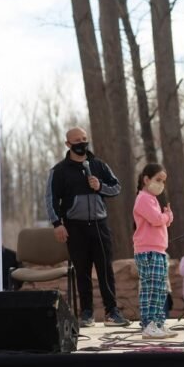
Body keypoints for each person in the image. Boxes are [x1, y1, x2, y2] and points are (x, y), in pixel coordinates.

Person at [46, 127, 130, 328]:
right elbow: (50, 199)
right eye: (77, 140)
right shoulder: (58, 170)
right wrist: (57, 224)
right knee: (82, 271)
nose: (82, 143)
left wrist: (99, 186)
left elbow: (116, 187)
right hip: (75, 228)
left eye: (84, 139)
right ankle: (86, 313)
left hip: (99, 226)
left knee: (105, 270)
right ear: (68, 144)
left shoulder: (99, 165)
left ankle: (112, 312)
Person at [133, 163, 178, 339]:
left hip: (157, 250)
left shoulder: (151, 199)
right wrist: (167, 216)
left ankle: (158, 323)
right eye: (158, 179)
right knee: (151, 288)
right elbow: (155, 219)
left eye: (163, 181)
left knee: (160, 289)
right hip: (148, 251)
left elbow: (159, 219)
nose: (161, 184)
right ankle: (149, 324)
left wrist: (165, 217)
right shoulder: (143, 198)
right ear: (146, 179)